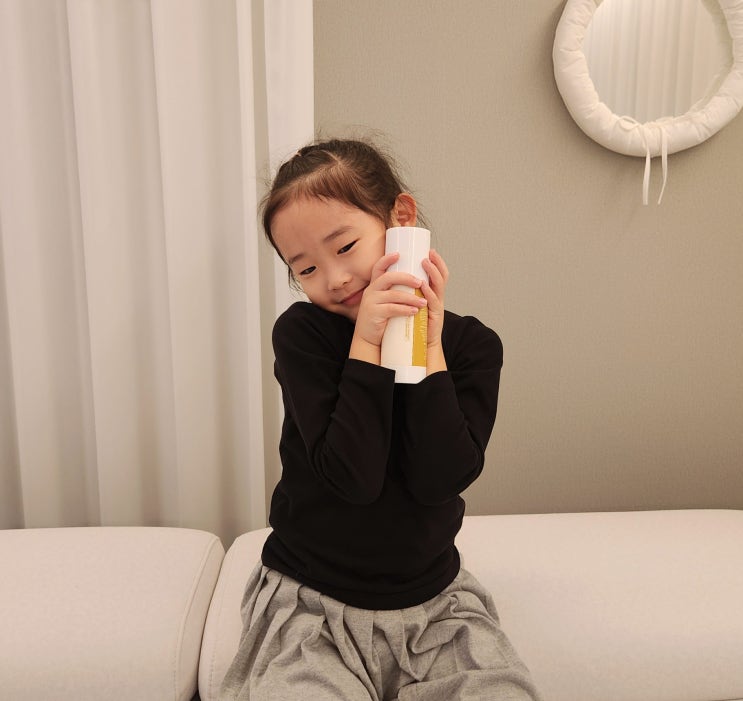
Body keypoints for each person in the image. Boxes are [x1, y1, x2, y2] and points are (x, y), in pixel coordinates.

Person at [220, 138, 542, 701]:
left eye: (346, 247)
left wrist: (427, 346)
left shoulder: (473, 347)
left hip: (435, 608)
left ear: (402, 220)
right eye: (306, 268)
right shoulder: (303, 336)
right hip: (312, 602)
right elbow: (353, 478)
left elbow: (440, 479)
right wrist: (367, 343)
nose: (335, 278)